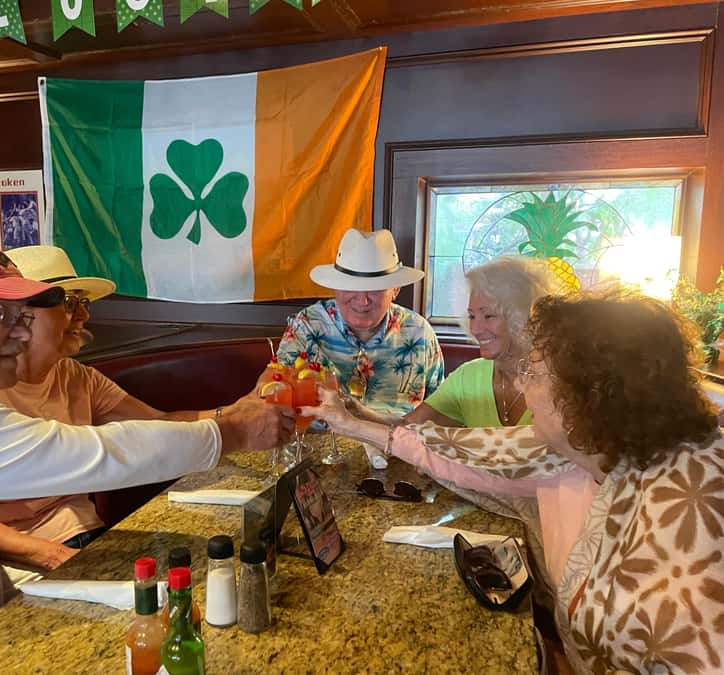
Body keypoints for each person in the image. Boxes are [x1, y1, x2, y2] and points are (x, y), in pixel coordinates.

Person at [0, 238, 293, 674]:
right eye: (0, 315)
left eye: (22, 316)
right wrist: (230, 431)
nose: (21, 334)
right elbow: (88, 454)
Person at [306, 288, 722, 674]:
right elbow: (476, 453)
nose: (521, 382)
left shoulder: (687, 508)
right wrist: (352, 423)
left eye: (534, 373)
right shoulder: (598, 445)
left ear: (589, 394)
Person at [0, 245, 267, 581]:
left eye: (84, 302)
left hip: (88, 538)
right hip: (22, 566)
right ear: (23, 316)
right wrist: (54, 557)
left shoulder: (75, 376)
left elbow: (158, 424)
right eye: (69, 303)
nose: (84, 315)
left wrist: (238, 412)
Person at [359, 255, 558, 428]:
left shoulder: (563, 381)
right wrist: (353, 413)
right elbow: (407, 428)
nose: (476, 330)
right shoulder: (468, 377)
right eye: (472, 317)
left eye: (488, 316)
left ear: (523, 317)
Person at [275, 228, 444, 416]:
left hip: (395, 442)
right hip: (319, 441)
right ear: (335, 287)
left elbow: (439, 412)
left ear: (395, 289)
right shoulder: (306, 325)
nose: (362, 300)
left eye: (375, 289)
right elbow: (279, 394)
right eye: (350, 287)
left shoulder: (419, 333)